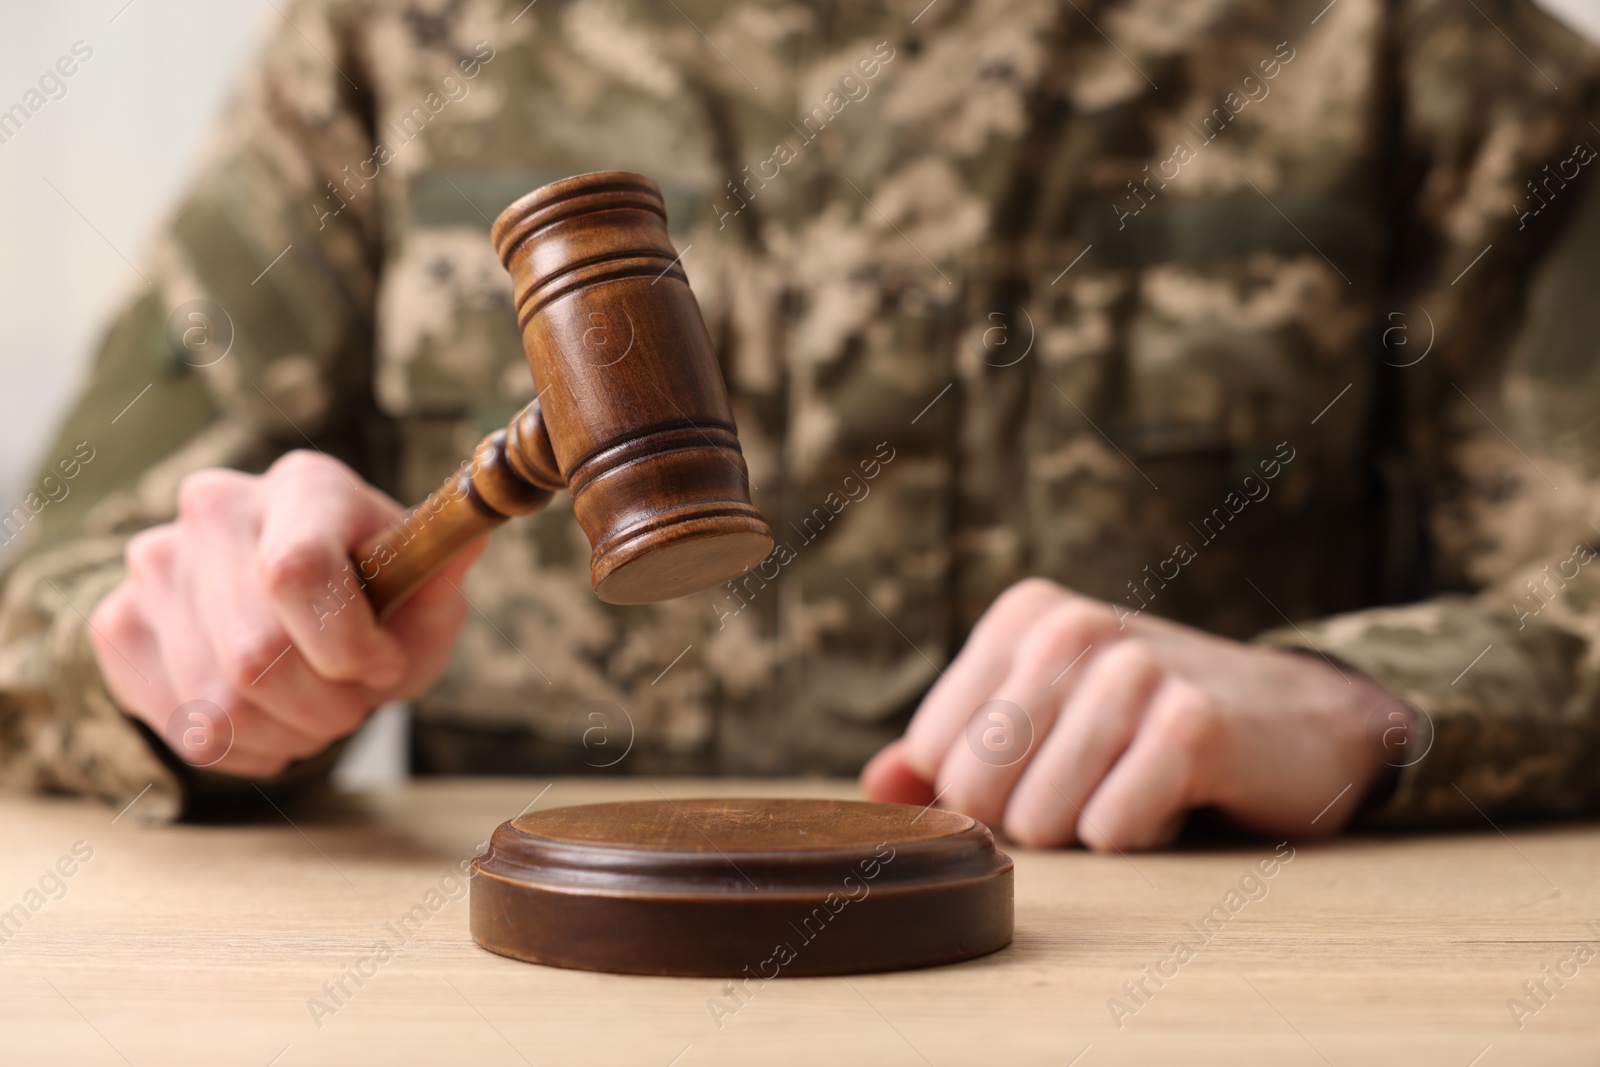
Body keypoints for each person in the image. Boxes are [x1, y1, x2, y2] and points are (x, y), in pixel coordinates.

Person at [2, 0, 1598, 849]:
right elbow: (58, 593)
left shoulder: (1401, 40)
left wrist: (1362, 708)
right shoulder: (393, 41)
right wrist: (183, 658)